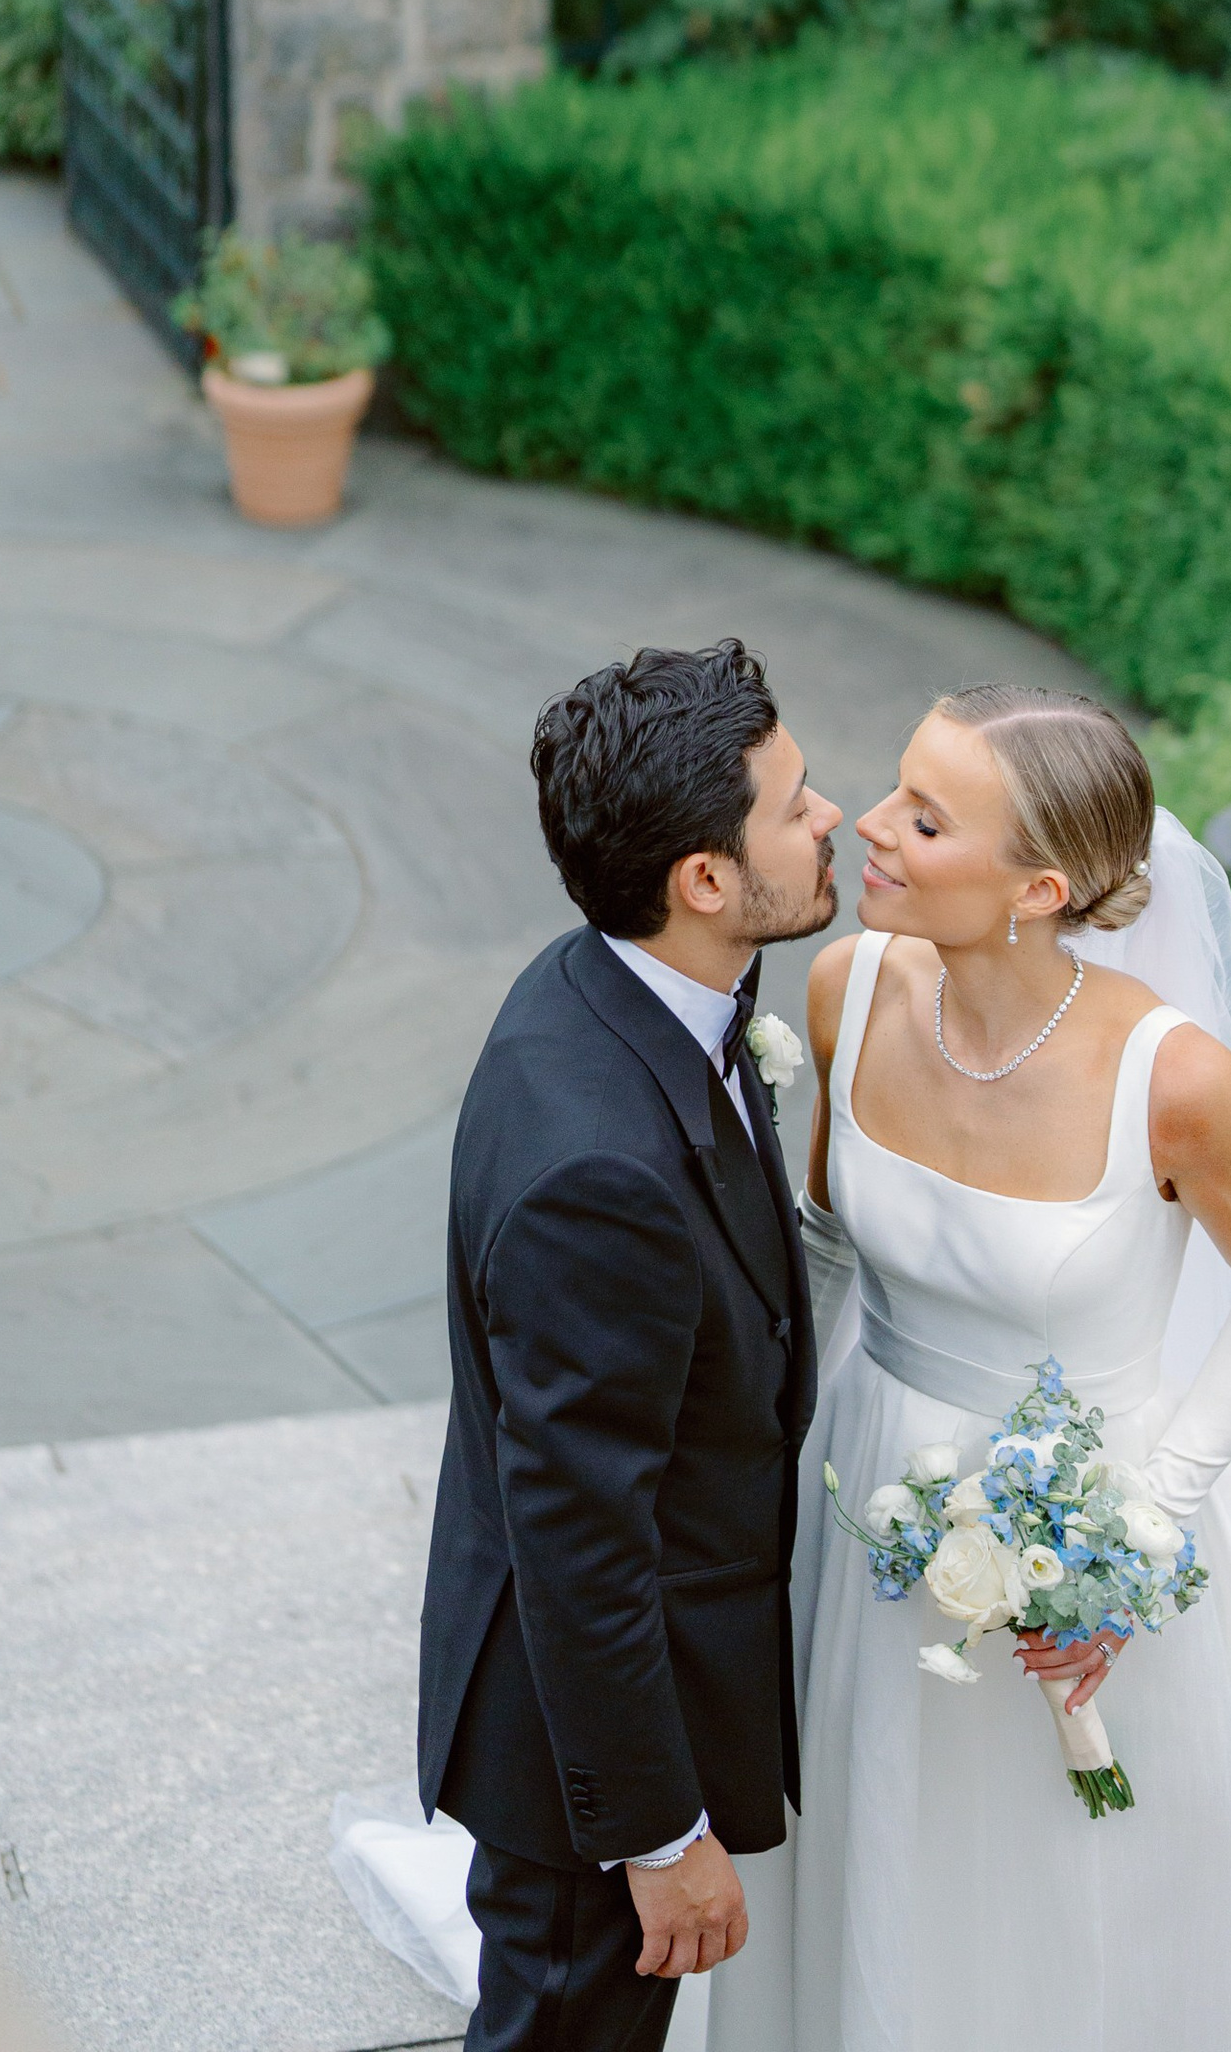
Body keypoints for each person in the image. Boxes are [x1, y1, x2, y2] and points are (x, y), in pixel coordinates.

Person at [708, 683, 1231, 2052]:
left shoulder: (1175, 1078)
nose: (876, 831)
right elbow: (829, 1246)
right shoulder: (848, 988)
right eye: (898, 789)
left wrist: (1140, 1537)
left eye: (926, 817)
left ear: (1040, 885)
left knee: (1088, 1903)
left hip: (1099, 1521)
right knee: (885, 1836)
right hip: (868, 1511)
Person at [414, 639, 842, 2052]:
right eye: (793, 804)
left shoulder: (612, 984)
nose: (832, 814)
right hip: (583, 1760)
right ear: (704, 883)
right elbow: (582, 1528)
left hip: (623, 1695)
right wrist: (658, 1836)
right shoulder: (595, 1169)